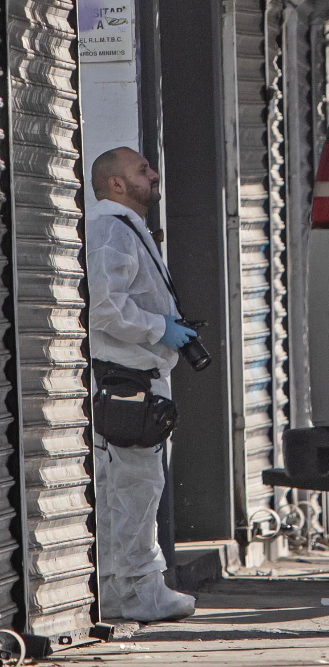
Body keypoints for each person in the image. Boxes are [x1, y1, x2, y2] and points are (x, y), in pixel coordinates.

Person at [87, 147, 198, 622]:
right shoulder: (111, 229)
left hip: (139, 376)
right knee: (134, 488)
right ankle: (137, 590)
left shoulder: (126, 228)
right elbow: (104, 307)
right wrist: (160, 329)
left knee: (132, 487)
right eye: (142, 170)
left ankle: (127, 587)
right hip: (127, 376)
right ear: (115, 183)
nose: (154, 175)